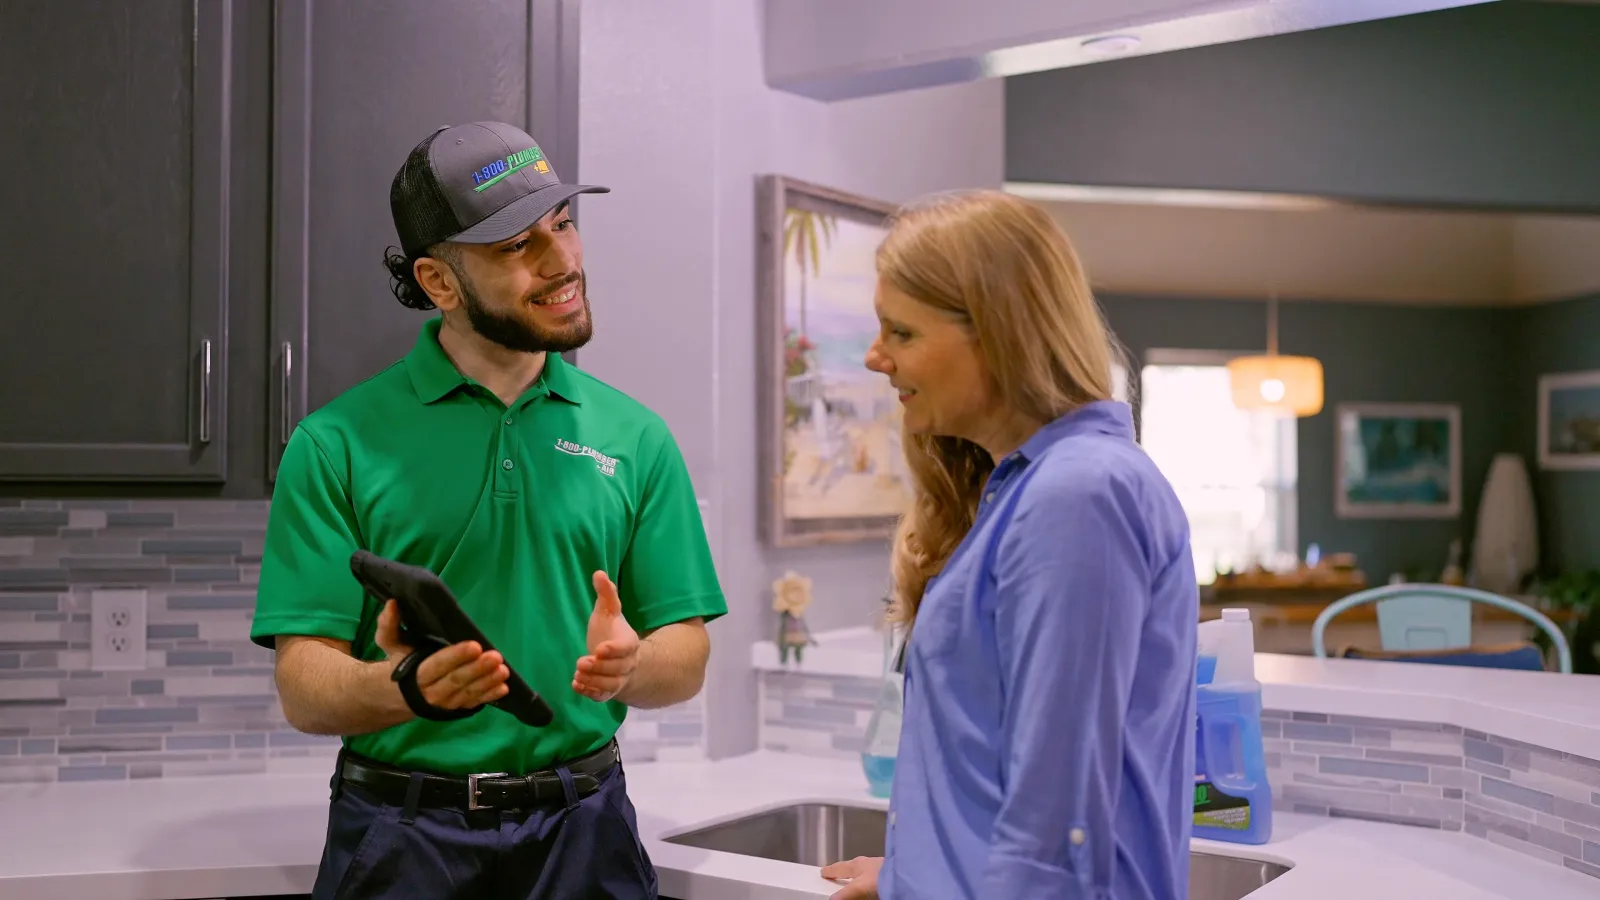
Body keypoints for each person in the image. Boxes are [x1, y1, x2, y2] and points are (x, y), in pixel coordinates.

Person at [250, 121, 727, 900]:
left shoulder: (637, 438)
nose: (562, 261)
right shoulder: (334, 444)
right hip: (401, 836)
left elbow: (688, 653)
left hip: (586, 830)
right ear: (440, 283)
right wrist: (406, 687)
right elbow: (304, 686)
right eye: (515, 246)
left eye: (563, 224)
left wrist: (632, 665)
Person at [821, 190, 1198, 900]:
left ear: (996, 333)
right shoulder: (1025, 490)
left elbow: (1052, 826)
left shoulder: (1077, 494)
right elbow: (990, 763)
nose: (876, 358)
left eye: (900, 333)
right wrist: (915, 871)